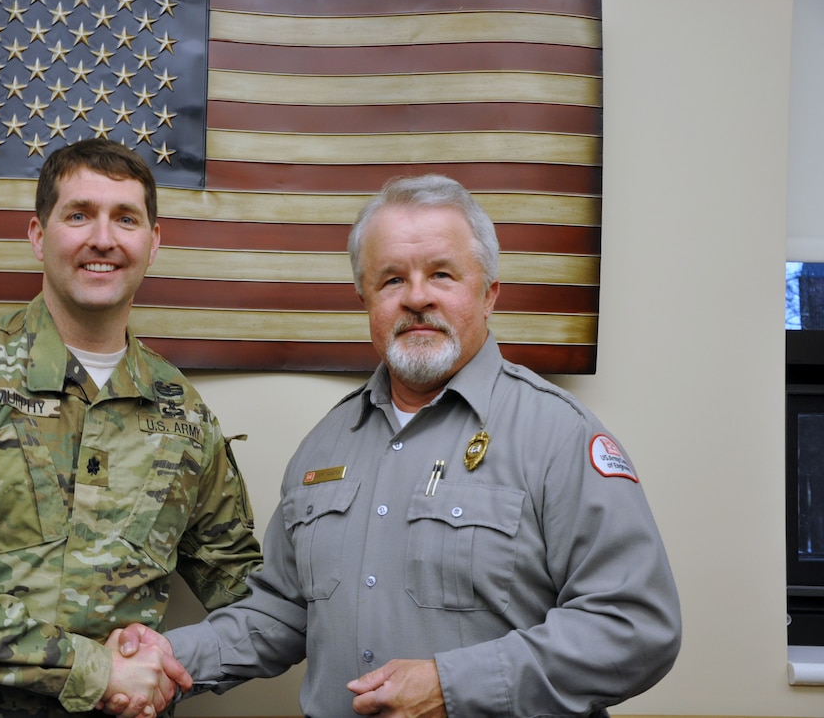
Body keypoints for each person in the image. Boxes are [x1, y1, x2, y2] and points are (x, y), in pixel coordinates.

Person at [111, 173, 682, 717]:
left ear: (489, 294)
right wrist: (171, 658)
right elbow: (283, 614)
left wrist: (453, 687)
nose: (416, 298)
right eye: (391, 279)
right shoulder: (325, 447)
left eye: (442, 275)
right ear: (366, 301)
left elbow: (634, 627)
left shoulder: (558, 435)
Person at [0, 138, 262, 717]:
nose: (103, 239)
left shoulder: (185, 416)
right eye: (78, 215)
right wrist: (96, 671)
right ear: (37, 234)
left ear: (153, 243)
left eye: (126, 218)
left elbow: (246, 589)